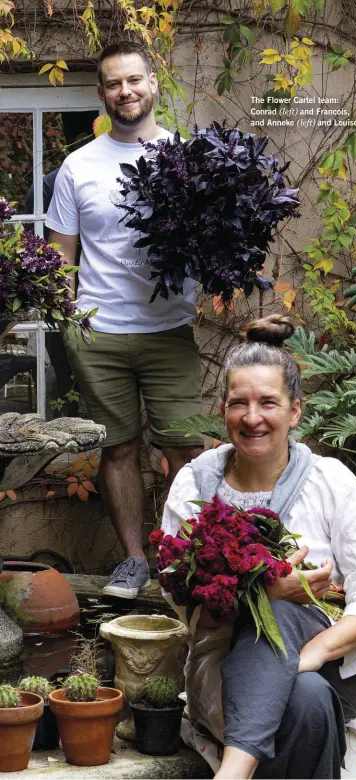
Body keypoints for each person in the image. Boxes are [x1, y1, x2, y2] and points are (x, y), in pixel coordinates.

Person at [161, 314, 356, 779]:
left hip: (328, 662)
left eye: (268, 402)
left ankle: (232, 772)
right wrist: (266, 594)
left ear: (295, 411)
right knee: (306, 701)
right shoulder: (195, 484)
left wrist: (305, 655)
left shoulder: (330, 481)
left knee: (299, 648)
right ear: (223, 408)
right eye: (239, 403)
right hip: (225, 666)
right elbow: (184, 603)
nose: (252, 418)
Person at [46, 41, 203, 599]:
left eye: (133, 80)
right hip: (100, 332)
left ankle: (188, 558)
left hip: (169, 331)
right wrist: (71, 321)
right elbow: (60, 255)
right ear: (101, 93)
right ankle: (134, 561)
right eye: (114, 83)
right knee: (117, 449)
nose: (125, 91)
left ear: (153, 83)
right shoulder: (78, 166)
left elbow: (218, 239)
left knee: (184, 447)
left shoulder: (186, 158)